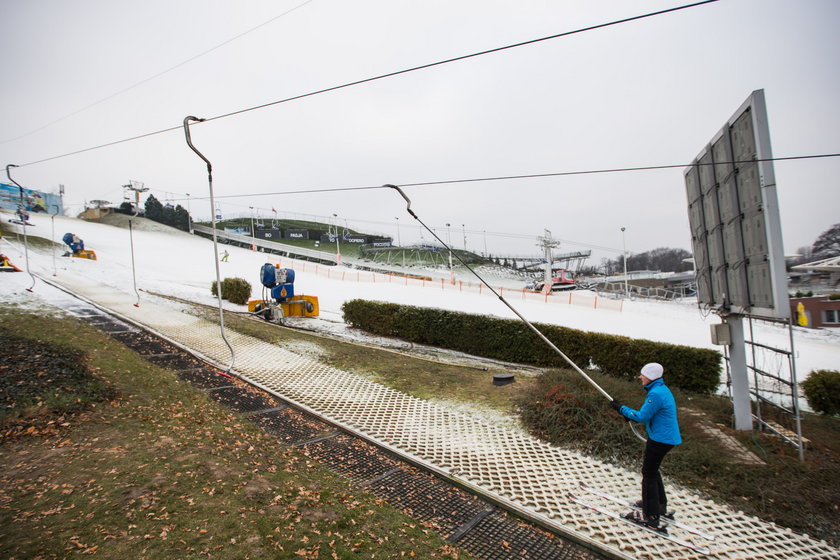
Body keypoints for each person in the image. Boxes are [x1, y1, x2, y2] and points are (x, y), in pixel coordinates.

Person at [610, 362, 681, 531]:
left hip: (660, 440)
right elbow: (648, 415)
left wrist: (621, 409)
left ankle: (650, 516)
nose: (640, 377)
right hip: (666, 438)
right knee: (653, 471)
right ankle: (659, 505)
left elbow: (642, 416)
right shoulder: (662, 390)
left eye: (642, 374)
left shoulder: (655, 394)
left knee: (648, 474)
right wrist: (629, 414)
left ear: (650, 376)